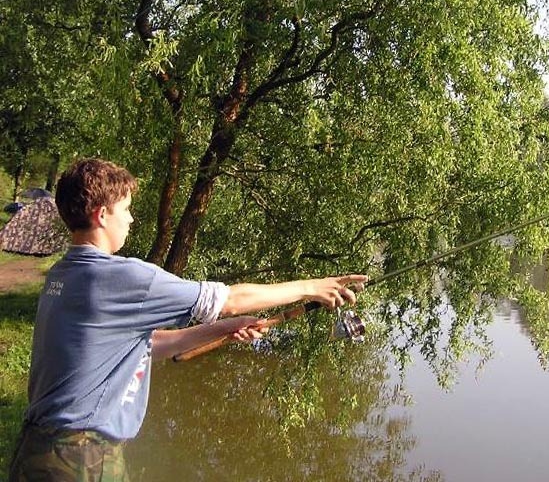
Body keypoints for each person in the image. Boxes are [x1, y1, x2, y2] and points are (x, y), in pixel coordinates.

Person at [8, 158, 367, 481]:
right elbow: (231, 299)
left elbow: (148, 344)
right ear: (102, 215)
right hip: (81, 458)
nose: (131, 219)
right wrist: (311, 287)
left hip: (35, 451)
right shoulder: (120, 278)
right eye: (126, 209)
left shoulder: (62, 274)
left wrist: (222, 329)